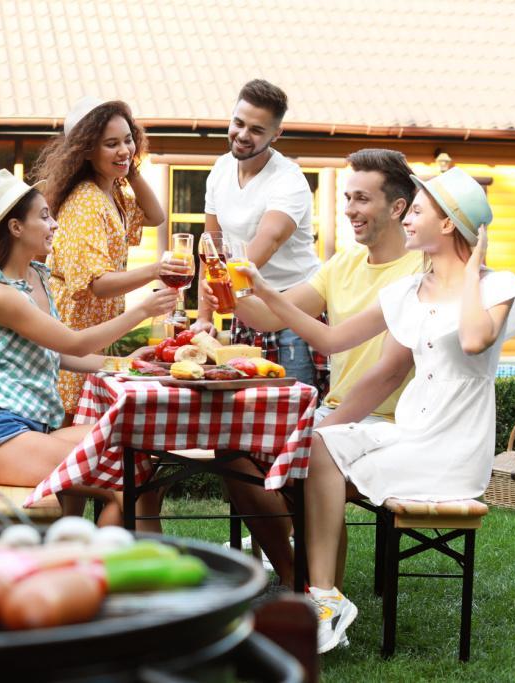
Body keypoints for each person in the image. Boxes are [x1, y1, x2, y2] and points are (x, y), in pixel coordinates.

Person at [239, 167, 515, 653]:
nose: (407, 219)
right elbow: (335, 340)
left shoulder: (499, 287)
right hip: (409, 434)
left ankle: (316, 593)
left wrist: (474, 267)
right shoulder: (408, 292)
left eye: (417, 211)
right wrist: (264, 292)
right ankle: (326, 597)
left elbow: (476, 340)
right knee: (319, 445)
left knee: (319, 462)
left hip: (452, 449)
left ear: (449, 223)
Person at [205, 149, 424, 590]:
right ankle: (294, 576)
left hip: (391, 424)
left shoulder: (423, 270)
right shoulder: (343, 263)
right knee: (232, 455)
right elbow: (271, 318)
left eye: (362, 199)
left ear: (397, 207)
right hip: (336, 414)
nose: (349, 210)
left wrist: (316, 431)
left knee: (310, 464)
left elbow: (388, 372)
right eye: (347, 198)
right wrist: (227, 293)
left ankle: (321, 595)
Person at [0, 169, 178, 530]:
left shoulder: (36, 278)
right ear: (15, 228)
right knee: (128, 481)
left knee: (136, 463)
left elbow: (59, 355)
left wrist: (125, 364)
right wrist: (143, 311)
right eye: (44, 216)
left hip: (29, 430)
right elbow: (73, 341)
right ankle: (119, 576)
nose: (55, 224)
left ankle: (108, 570)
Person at [32, 97, 179, 417]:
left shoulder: (112, 193)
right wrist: (157, 270)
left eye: (128, 140)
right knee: (69, 428)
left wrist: (131, 169)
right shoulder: (86, 201)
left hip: (94, 334)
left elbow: (155, 216)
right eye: (111, 144)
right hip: (74, 330)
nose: (124, 149)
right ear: (86, 150)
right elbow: (98, 284)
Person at [192, 79, 323, 388]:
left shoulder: (288, 180)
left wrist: (222, 291)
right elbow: (211, 248)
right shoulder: (220, 170)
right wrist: (204, 318)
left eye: (256, 130)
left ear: (276, 135)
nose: (242, 135)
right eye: (238, 123)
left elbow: (269, 241)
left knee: (292, 409)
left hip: (293, 308)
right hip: (246, 306)